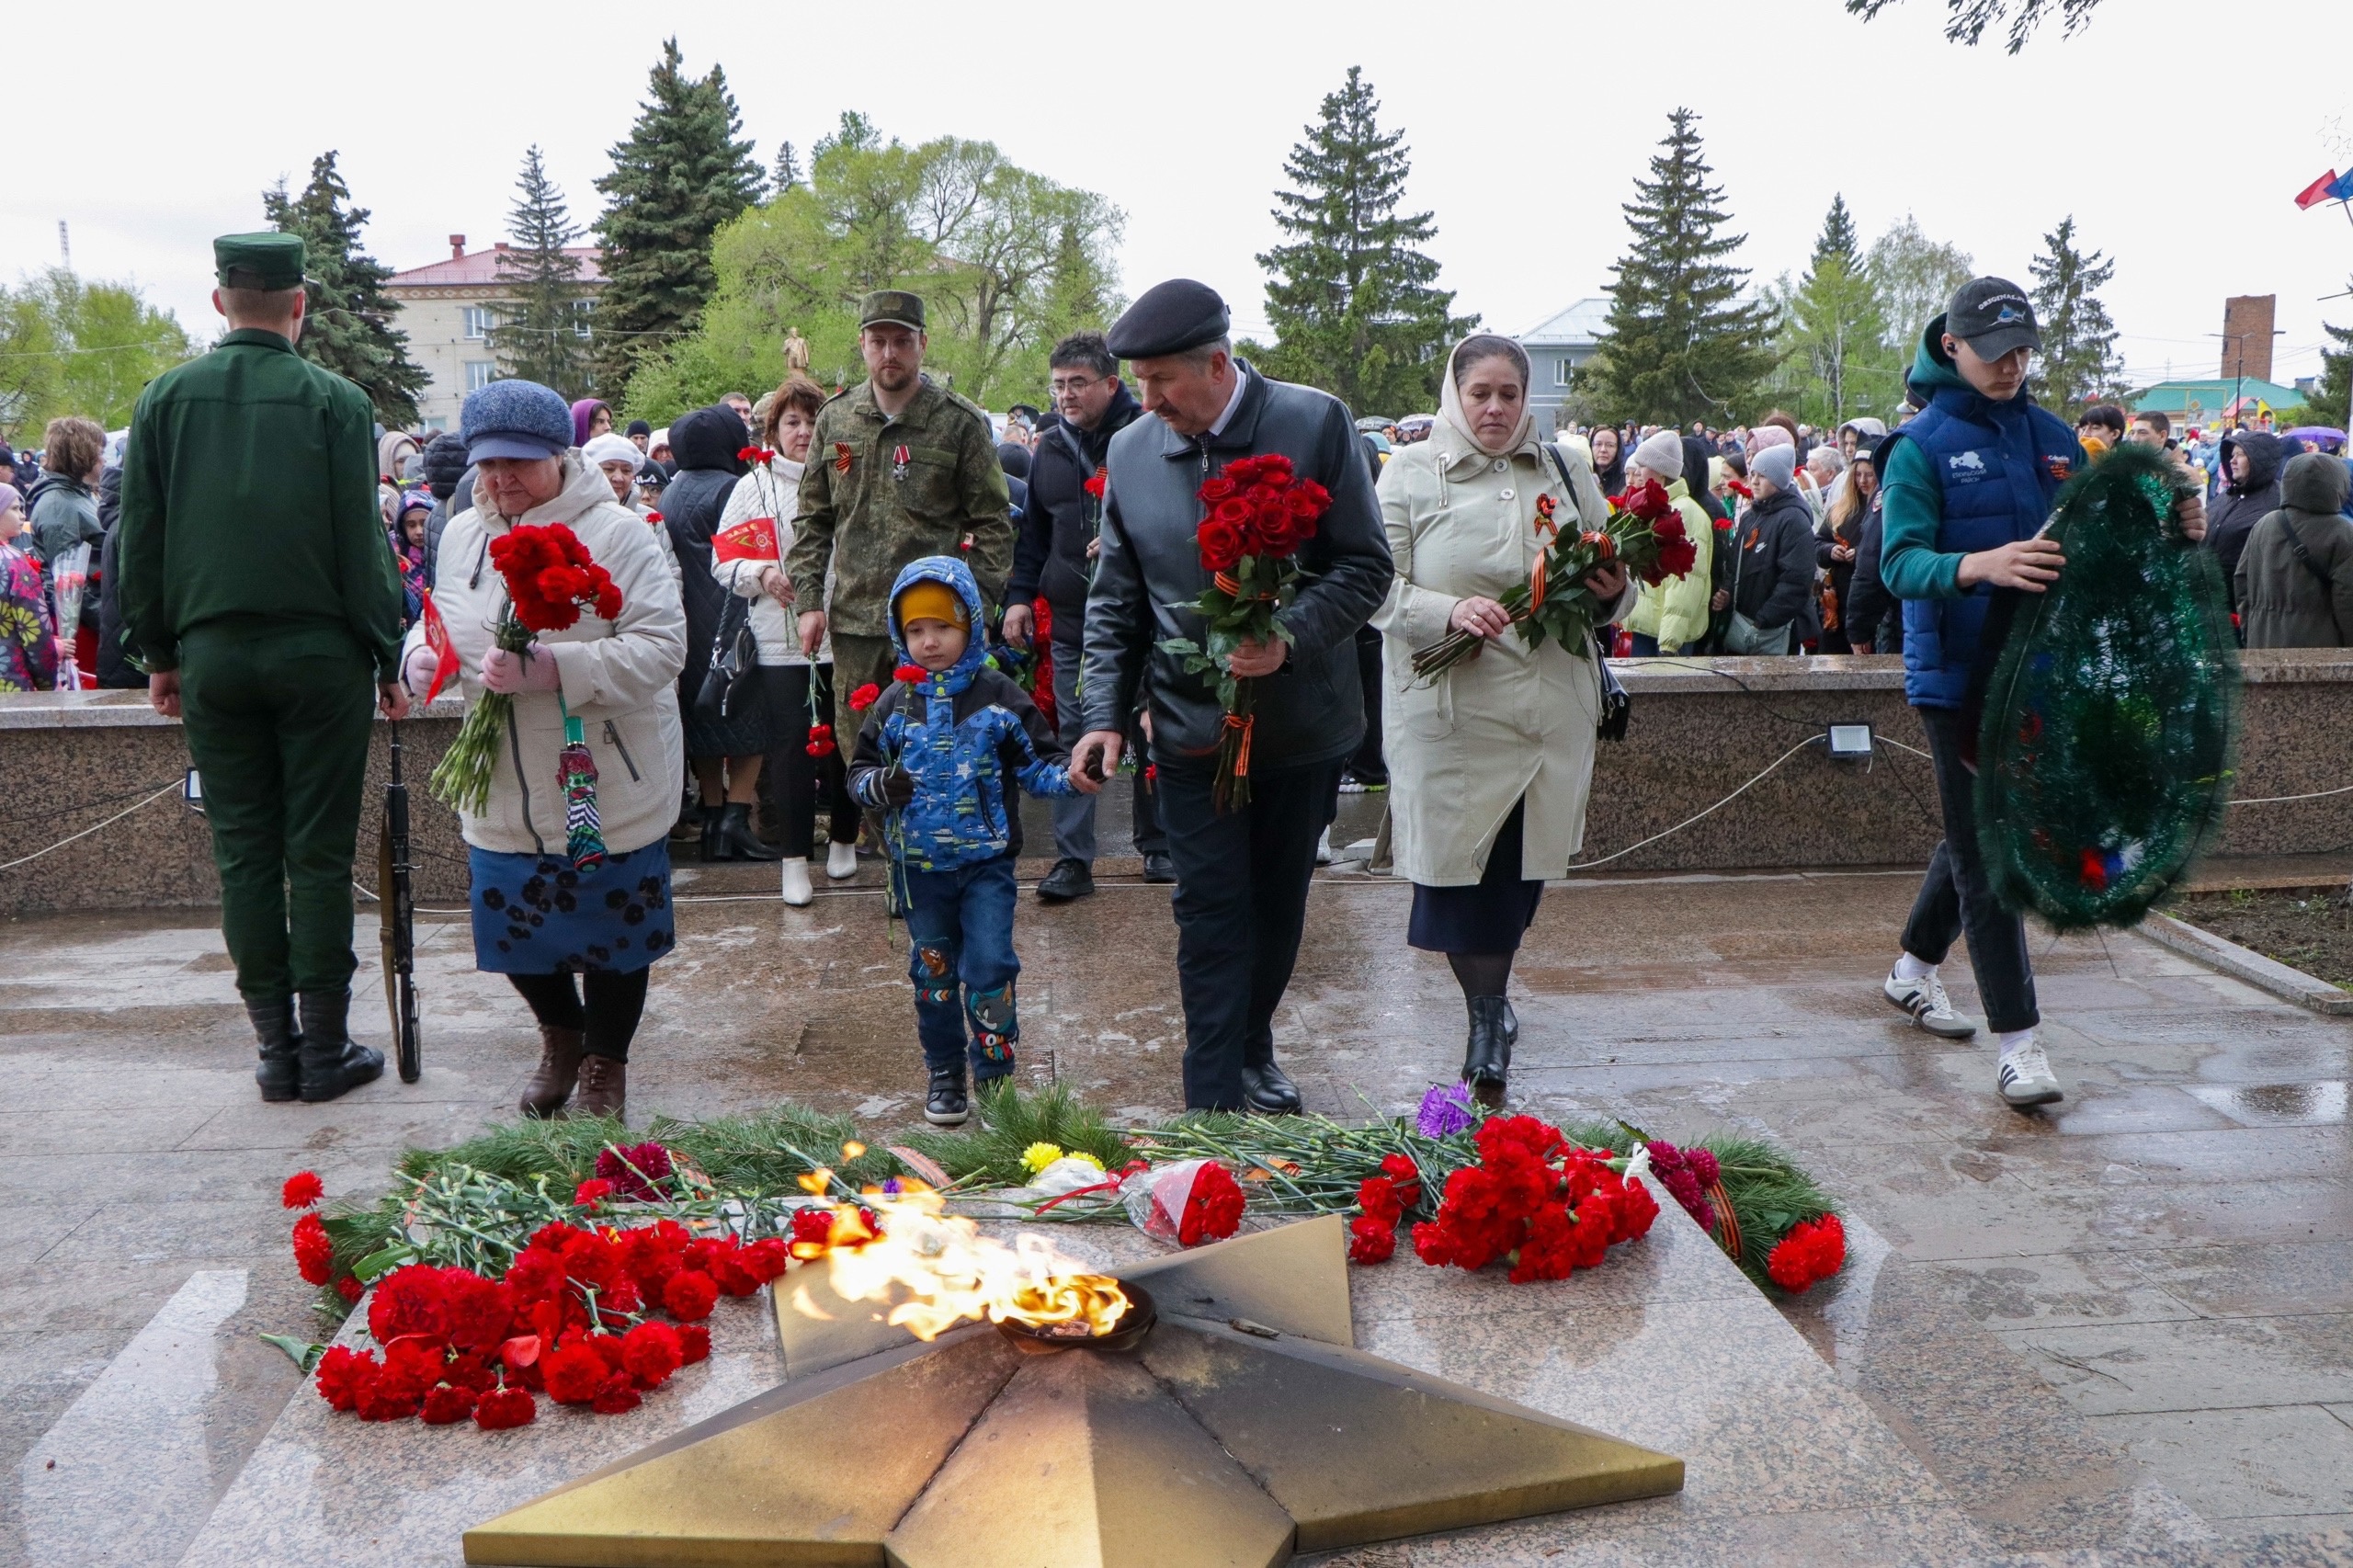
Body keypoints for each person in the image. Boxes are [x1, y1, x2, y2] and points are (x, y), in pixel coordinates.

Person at [1878, 278, 2204, 1109]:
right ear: (1951, 346)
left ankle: (1913, 969)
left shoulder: (2058, 440)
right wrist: (1977, 566)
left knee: (1972, 835)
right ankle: (2020, 1046)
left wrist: (2170, 527)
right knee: (1992, 858)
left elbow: (2094, 551)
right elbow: (1897, 564)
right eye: (1995, 353)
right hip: (1957, 681)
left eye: (2023, 351)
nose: (2012, 367)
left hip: (2042, 677)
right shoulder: (1919, 446)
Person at [1071, 278, 1392, 1114]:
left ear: (1217, 364)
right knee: (1209, 907)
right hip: (1187, 728)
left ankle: (1253, 1047)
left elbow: (1365, 567)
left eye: (1162, 382)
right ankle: (1211, 1095)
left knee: (1277, 904)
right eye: (1137, 383)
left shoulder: (1316, 422)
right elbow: (1116, 597)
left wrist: (1286, 638)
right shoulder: (1136, 451)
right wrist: (1104, 713)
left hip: (1302, 726)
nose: (1147, 402)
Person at [117, 232, 409, 1105]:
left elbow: (142, 545)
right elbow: (363, 547)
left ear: (220, 302)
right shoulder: (336, 401)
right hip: (319, 656)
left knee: (242, 852)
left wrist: (161, 655)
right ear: (299, 305)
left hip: (213, 656)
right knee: (316, 857)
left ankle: (275, 1052)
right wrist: (387, 653)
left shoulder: (164, 398)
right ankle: (326, 1049)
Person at [396, 379, 685, 1121]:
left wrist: (561, 669)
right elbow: (442, 619)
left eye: (520, 463)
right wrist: (423, 660)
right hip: (502, 780)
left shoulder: (620, 533)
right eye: (490, 465)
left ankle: (605, 1063)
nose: (502, 481)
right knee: (515, 930)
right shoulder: (462, 530)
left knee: (616, 936)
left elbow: (662, 649)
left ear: (560, 456)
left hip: (605, 772)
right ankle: (562, 1037)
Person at [1373, 336, 1628, 1104]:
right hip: (1451, 715)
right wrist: (1445, 609)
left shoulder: (1564, 467)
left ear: (1527, 401)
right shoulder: (1411, 471)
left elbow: (1612, 580)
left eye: (1509, 395)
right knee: (1458, 876)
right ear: (1455, 394)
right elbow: (1375, 587)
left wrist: (1614, 586)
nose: (1495, 408)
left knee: (1515, 871)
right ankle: (1487, 1017)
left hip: (1547, 709)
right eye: (1480, 393)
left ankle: (1492, 1009)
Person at [847, 556, 1079, 1126]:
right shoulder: (895, 704)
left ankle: (995, 1076)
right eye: (915, 630)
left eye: (943, 628)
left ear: (972, 624)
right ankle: (945, 1072)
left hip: (986, 868)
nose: (929, 642)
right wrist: (881, 785)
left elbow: (1038, 764)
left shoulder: (999, 696)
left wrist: (1073, 775)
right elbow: (857, 774)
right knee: (933, 973)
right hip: (920, 873)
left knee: (991, 966)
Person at [1004, 331, 1167, 902]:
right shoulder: (1047, 447)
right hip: (1074, 621)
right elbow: (1035, 535)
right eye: (1058, 385)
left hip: (1148, 618)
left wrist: (1124, 541)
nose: (1066, 396)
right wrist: (1021, 596)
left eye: (1078, 384)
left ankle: (1160, 846)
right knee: (1077, 734)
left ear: (1111, 384)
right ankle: (1074, 860)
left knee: (1155, 729)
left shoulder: (1149, 435)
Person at [788, 291, 1015, 693]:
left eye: (902, 341)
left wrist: (972, 607)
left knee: (936, 747)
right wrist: (808, 603)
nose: (889, 353)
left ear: (922, 344)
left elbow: (994, 523)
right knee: (860, 750)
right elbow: (813, 519)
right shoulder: (835, 419)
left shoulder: (957, 422)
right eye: (878, 342)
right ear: (862, 345)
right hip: (856, 626)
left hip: (934, 627)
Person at [715, 375, 861, 904]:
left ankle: (845, 838)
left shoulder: (846, 474)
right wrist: (761, 573)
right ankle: (794, 861)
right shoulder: (751, 487)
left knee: (849, 742)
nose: (802, 432)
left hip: (845, 634)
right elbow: (722, 563)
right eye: (791, 422)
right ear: (772, 429)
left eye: (811, 421)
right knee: (792, 753)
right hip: (780, 640)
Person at [659, 405, 777, 861]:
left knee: (703, 717)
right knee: (750, 719)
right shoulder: (734, 488)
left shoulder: (670, 492)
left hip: (688, 627)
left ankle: (711, 819)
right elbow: (752, 556)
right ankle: (735, 819)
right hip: (735, 624)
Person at [2236, 453, 2353, 647]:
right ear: (2339, 485)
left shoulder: (2265, 524)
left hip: (2263, 643)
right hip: (2320, 652)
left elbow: (2241, 581)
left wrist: (2250, 632)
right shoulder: (2344, 533)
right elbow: (2348, 602)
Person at [1709, 443, 1814, 653]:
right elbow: (1735, 562)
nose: (1754, 482)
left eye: (1763, 476)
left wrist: (1764, 619)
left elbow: (1796, 579)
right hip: (1742, 622)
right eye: (1753, 474)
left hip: (1772, 630)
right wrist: (1728, 592)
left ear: (1779, 480)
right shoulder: (1751, 516)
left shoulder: (1793, 519)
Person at [1620, 430, 1713, 656]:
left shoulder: (1684, 513)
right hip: (1648, 627)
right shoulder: (1655, 507)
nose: (1638, 472)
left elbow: (1686, 581)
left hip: (1666, 637)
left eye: (1643, 465)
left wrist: (1670, 643)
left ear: (1660, 471)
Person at [2207, 429, 2285, 621]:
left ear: (2258, 459)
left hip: (2247, 610)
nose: (2232, 461)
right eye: (2231, 455)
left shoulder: (2278, 500)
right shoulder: (2225, 497)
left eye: (2240, 455)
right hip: (2211, 606)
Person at [1817, 446, 1876, 653]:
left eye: (1869, 475)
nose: (1863, 481)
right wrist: (1830, 551)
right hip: (1837, 605)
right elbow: (1818, 542)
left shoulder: (1883, 510)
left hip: (1869, 608)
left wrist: (1861, 554)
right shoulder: (1843, 509)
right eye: (1858, 474)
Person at [0, 485, 58, 691]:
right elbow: (35, 634)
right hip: (11, 685)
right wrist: (48, 683)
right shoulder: (13, 562)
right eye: (14, 508)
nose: (22, 515)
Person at [1587, 424, 1625, 497]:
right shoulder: (1584, 476)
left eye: (1610, 445)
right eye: (1598, 444)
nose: (1603, 450)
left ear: (1618, 449)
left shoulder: (1626, 480)